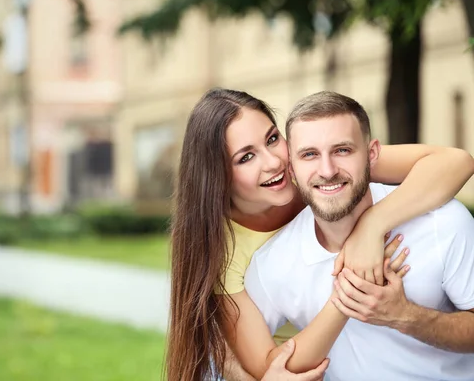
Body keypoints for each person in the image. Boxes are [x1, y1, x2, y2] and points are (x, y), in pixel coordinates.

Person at [167, 88, 474, 381]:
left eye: (273, 139)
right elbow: (267, 368)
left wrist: (370, 227)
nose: (273, 162)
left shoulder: (318, 169)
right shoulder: (228, 250)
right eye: (246, 157)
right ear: (218, 177)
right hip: (283, 344)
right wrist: (350, 288)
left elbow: (455, 162)